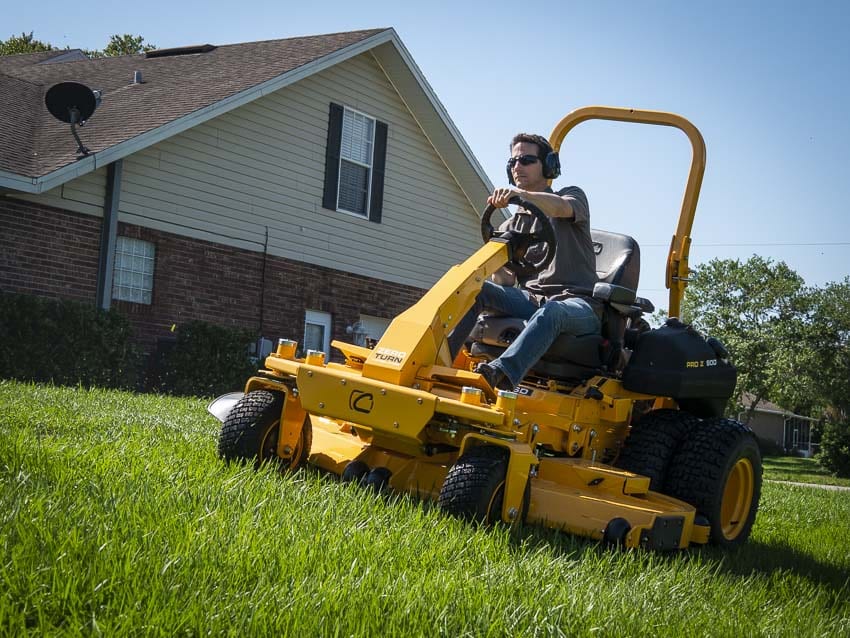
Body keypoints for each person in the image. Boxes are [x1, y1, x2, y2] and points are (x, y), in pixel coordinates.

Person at [447, 133, 601, 390]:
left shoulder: (572, 196)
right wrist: (503, 256)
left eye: (527, 160)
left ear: (548, 166)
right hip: (531, 301)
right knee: (476, 288)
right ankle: (439, 359)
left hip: (578, 305)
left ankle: (500, 376)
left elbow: (562, 208)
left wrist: (521, 195)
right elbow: (505, 282)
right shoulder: (511, 225)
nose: (517, 167)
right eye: (513, 162)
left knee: (553, 311)